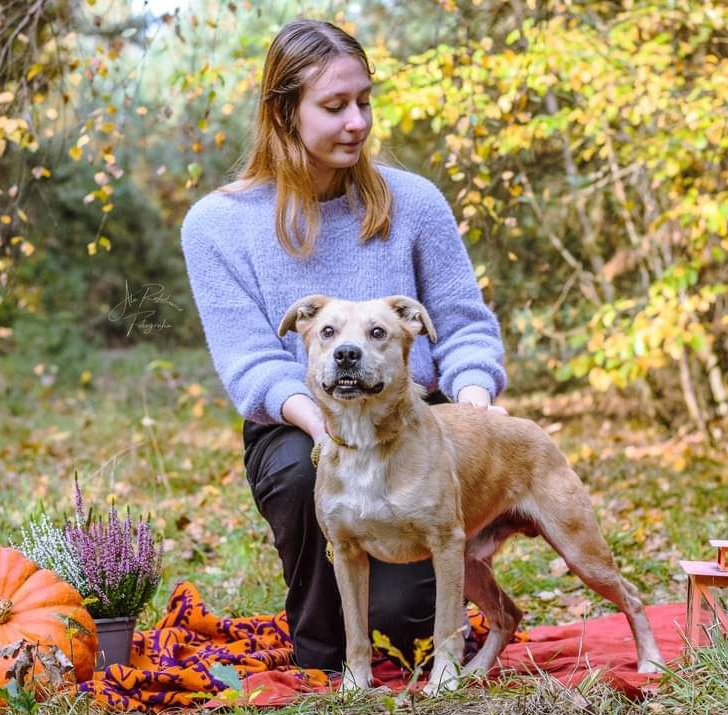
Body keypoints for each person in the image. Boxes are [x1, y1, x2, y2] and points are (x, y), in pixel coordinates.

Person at [180, 18, 507, 672]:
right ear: (282, 113)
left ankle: (422, 611)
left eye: (364, 101)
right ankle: (322, 652)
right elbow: (253, 366)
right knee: (303, 469)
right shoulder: (217, 225)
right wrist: (329, 431)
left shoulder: (413, 202)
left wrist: (474, 410)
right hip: (299, 421)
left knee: (404, 624)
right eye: (334, 107)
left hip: (418, 418)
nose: (357, 121)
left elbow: (465, 322)